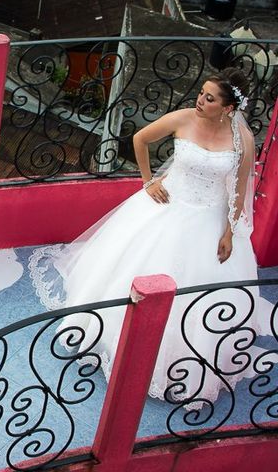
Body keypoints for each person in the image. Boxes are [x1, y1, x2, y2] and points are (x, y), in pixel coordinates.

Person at [28, 68, 271, 407]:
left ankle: (173, 364)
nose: (200, 101)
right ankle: (116, 343)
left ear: (229, 107)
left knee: (197, 300)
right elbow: (140, 139)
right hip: (166, 206)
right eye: (201, 93)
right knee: (130, 276)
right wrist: (148, 182)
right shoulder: (184, 118)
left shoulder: (241, 140)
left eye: (210, 98)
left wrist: (230, 231)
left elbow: (239, 186)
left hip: (208, 221)